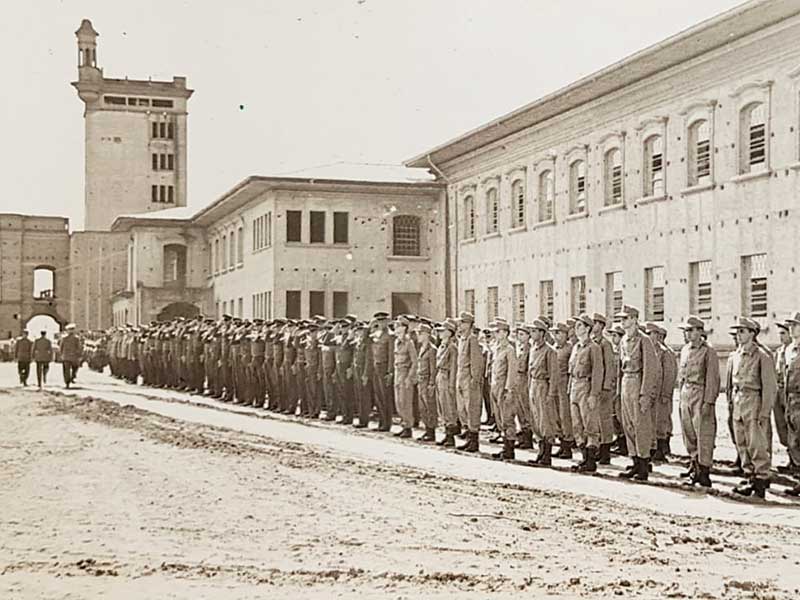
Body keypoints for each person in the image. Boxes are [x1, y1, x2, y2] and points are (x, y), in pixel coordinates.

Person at [728, 317, 777, 499]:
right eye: (738, 331)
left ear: (752, 333)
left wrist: (764, 412)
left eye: (743, 331)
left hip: (753, 400)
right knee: (742, 442)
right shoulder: (737, 355)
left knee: (756, 443)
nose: (739, 335)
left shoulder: (762, 356)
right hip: (739, 399)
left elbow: (770, 386)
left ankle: (761, 480)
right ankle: (749, 476)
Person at [616, 305, 661, 481]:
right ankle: (634, 460)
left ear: (635, 319)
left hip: (637, 383)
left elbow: (651, 369)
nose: (623, 321)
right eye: (621, 318)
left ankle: (643, 464)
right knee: (627, 425)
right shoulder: (623, 341)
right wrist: (619, 393)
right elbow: (620, 368)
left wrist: (645, 394)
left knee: (640, 425)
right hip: (626, 382)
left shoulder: (644, 341)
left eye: (626, 318)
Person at [676, 316, 720, 487]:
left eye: (690, 330)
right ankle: (694, 465)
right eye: (686, 331)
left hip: (700, 394)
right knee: (689, 433)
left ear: (699, 331)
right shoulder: (685, 350)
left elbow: (712, 379)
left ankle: (704, 471)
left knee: (704, 434)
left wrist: (709, 402)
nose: (687, 334)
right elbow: (682, 375)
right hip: (686, 393)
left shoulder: (709, 351)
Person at [568, 314, 604, 473]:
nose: (577, 329)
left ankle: (591, 460)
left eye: (580, 326)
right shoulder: (576, 347)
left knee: (590, 424)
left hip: (586, 386)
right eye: (576, 326)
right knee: (577, 425)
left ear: (588, 328)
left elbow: (598, 372)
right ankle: (584, 457)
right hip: (575, 385)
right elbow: (571, 370)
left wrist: (594, 394)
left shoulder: (593, 348)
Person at [528, 319, 560, 466]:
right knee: (535, 420)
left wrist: (551, 394)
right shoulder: (533, 349)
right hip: (534, 385)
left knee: (545, 420)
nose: (532, 333)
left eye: (534, 331)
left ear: (542, 333)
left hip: (543, 386)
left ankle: (547, 454)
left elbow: (554, 374)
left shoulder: (549, 351)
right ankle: (540, 451)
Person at [489, 318, 516, 461]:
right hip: (495, 385)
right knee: (499, 418)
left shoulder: (509, 349)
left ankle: (509, 448)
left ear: (505, 333)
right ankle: (505, 446)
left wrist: (509, 389)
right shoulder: (496, 348)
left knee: (507, 418)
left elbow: (512, 371)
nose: (496, 334)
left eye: (498, 331)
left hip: (503, 387)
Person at [455, 312, 483, 453]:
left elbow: (476, 362)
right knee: (463, 409)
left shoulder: (472, 340)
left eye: (462, 323)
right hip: (461, 377)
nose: (459, 325)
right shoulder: (462, 340)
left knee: (472, 409)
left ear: (468, 324)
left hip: (469, 380)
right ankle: (468, 438)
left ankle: (474, 440)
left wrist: (474, 379)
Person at [393, 316, 418, 438]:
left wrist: (410, 377)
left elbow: (415, 361)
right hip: (397, 373)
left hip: (405, 373)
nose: (396, 328)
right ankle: (404, 424)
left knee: (405, 401)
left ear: (404, 328)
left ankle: (408, 427)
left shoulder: (409, 343)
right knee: (398, 402)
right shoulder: (397, 342)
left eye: (398, 326)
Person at [60, 324, 83, 389]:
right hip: (73, 357)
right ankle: (70, 379)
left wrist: (62, 354)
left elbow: (61, 348)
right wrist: (79, 355)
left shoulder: (64, 338)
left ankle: (67, 381)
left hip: (66, 356)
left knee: (67, 370)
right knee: (74, 368)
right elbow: (79, 348)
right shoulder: (76, 339)